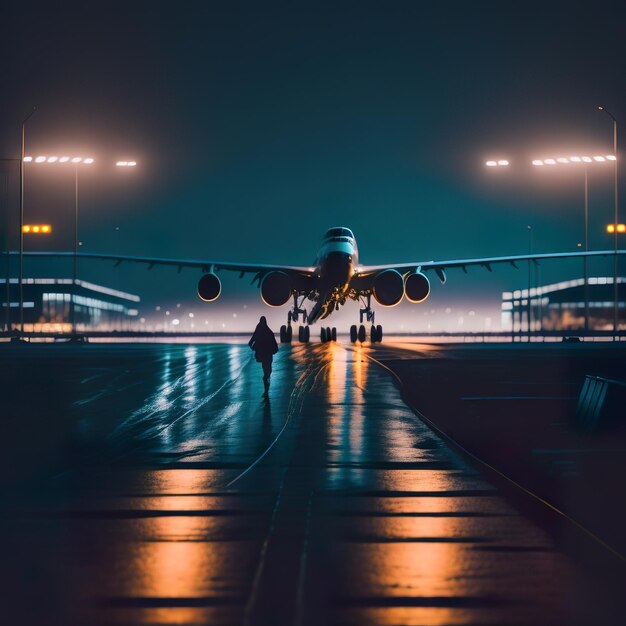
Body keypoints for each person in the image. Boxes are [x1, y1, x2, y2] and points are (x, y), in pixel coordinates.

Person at [248, 316, 279, 397]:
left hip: (262, 353)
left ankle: (266, 378)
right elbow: (273, 342)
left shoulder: (260, 331)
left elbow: (252, 339)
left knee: (265, 367)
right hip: (267, 353)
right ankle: (266, 378)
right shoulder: (268, 332)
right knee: (268, 366)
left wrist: (252, 346)